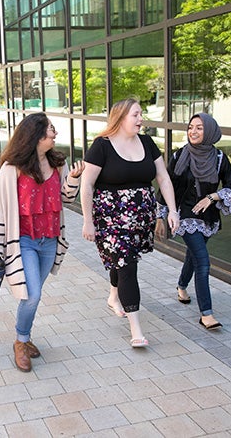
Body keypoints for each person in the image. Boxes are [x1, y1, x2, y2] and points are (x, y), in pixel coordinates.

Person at [0, 112, 84, 372]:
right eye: (51, 129)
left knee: (33, 295)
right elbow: (0, 210)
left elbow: (66, 200)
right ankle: (20, 342)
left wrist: (73, 179)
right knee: (32, 294)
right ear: (37, 134)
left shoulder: (58, 164)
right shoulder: (12, 169)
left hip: (49, 240)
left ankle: (25, 336)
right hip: (25, 241)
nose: (55, 133)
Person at [80, 98, 179, 348]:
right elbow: (87, 184)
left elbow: (163, 178)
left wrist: (172, 211)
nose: (140, 119)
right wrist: (88, 221)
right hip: (110, 218)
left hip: (141, 218)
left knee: (124, 261)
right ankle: (136, 329)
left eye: (141, 114)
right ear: (121, 117)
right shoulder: (102, 146)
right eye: (136, 114)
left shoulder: (147, 142)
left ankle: (114, 295)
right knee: (127, 266)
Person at [156, 113, 231, 330]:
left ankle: (181, 285)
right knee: (203, 261)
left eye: (199, 128)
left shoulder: (220, 158)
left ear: (209, 131)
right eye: (191, 127)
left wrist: (212, 197)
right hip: (184, 216)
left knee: (193, 257)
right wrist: (161, 216)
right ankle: (207, 314)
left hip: (208, 217)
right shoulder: (180, 155)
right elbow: (167, 185)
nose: (193, 131)